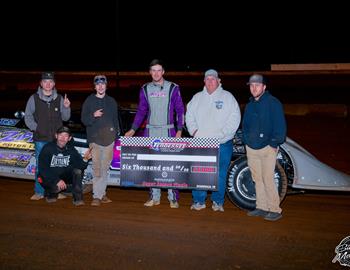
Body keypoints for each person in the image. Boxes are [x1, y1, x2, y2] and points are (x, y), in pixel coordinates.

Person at [125, 59, 185, 209]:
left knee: (171, 165)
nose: (156, 73)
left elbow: (180, 110)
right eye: (153, 70)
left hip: (169, 131)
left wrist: (179, 129)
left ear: (163, 71)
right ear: (150, 72)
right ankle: (154, 197)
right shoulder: (145, 89)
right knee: (151, 165)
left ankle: (173, 198)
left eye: (159, 70)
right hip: (150, 131)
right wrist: (133, 129)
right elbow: (141, 111)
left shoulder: (173, 88)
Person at [186, 69, 241, 212]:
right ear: (204, 81)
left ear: (219, 81)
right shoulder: (197, 97)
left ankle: (217, 202)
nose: (210, 81)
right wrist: (194, 131)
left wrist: (223, 135)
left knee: (220, 173)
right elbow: (189, 116)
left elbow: (235, 118)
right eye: (208, 79)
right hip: (201, 143)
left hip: (222, 143)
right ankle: (199, 201)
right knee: (199, 173)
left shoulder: (228, 97)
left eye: (213, 79)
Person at [243, 74, 287, 221]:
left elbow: (280, 126)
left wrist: (274, 143)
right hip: (252, 148)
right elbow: (245, 126)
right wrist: (246, 141)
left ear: (264, 87)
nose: (254, 88)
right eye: (251, 85)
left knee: (268, 178)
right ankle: (261, 207)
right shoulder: (249, 105)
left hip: (267, 147)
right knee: (257, 179)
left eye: (257, 85)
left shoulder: (273, 103)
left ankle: (274, 209)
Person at [25, 72, 71, 201]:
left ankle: (54, 192)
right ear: (41, 83)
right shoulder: (33, 98)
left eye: (50, 81)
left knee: (56, 167)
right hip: (41, 139)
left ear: (54, 84)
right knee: (41, 167)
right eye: (45, 81)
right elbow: (27, 117)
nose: (48, 84)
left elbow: (66, 118)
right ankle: (39, 192)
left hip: (57, 141)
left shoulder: (60, 98)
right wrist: (37, 128)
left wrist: (67, 107)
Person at [81, 75, 120, 207]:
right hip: (95, 140)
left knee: (104, 169)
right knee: (97, 169)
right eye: (98, 84)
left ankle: (101, 193)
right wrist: (93, 115)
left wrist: (116, 136)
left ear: (106, 85)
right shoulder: (89, 101)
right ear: (95, 86)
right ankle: (96, 196)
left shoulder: (112, 101)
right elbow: (84, 120)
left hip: (109, 140)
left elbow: (115, 120)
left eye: (103, 84)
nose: (100, 86)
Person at [38, 126, 91, 206]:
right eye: (61, 135)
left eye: (66, 136)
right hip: (49, 177)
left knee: (77, 171)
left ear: (69, 138)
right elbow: (43, 169)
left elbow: (80, 166)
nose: (63, 138)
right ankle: (51, 194)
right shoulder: (47, 148)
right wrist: (56, 180)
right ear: (56, 136)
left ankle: (77, 199)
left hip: (63, 176)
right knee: (54, 188)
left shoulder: (71, 149)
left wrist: (85, 159)